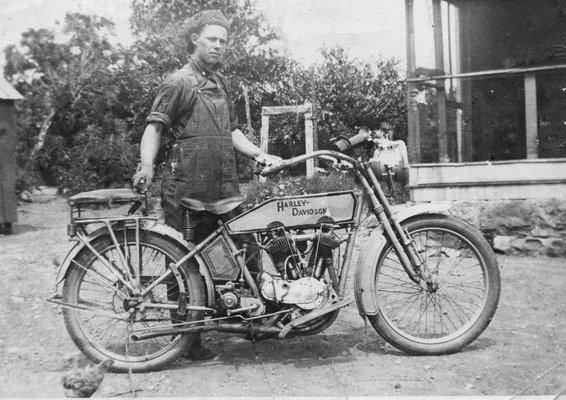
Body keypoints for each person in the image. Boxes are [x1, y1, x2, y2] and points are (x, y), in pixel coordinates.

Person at [132, 10, 282, 360]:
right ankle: (187, 340)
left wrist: (260, 156)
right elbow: (153, 129)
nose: (218, 45)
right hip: (187, 193)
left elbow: (231, 132)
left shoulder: (222, 83)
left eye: (223, 41)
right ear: (194, 41)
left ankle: (256, 320)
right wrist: (147, 166)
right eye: (211, 39)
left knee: (248, 252)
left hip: (225, 188)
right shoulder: (178, 82)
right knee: (182, 264)